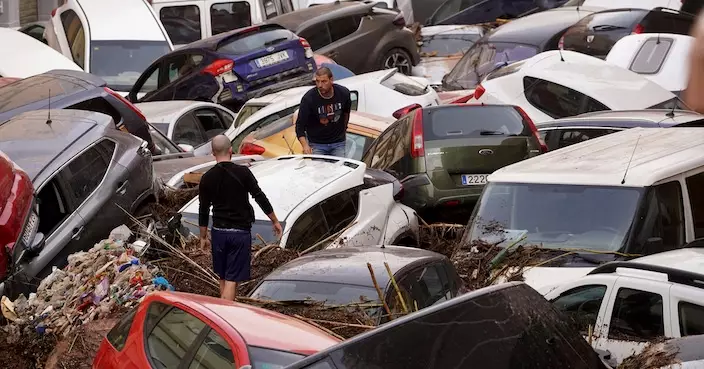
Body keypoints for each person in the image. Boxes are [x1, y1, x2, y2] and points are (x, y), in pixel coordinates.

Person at [198, 135, 282, 301]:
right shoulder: (243, 173)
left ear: (213, 153)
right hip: (239, 233)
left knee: (223, 276)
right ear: (231, 151)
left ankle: (225, 308)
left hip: (219, 232)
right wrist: (274, 220)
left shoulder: (207, 178)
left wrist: (203, 236)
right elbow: (260, 197)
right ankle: (225, 315)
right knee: (231, 279)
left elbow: (203, 209)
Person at [296, 67, 353, 157]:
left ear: (331, 80)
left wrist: (344, 129)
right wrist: (305, 145)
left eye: (324, 81)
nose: (320, 85)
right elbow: (299, 125)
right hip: (317, 144)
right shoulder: (309, 98)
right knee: (321, 170)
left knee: (339, 169)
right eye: (317, 81)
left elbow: (346, 113)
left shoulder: (343, 93)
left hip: (338, 142)